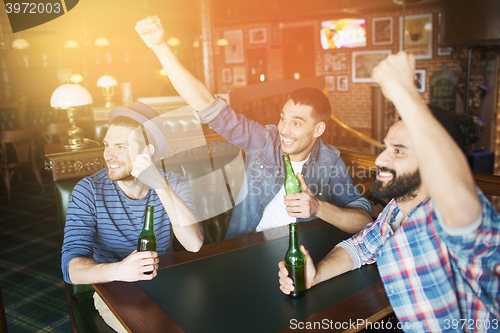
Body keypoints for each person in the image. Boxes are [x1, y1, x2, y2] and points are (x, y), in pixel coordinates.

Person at [278, 52, 500, 330]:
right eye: (386, 147)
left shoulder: (455, 217)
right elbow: (359, 247)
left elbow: (456, 191)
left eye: (399, 151)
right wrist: (317, 274)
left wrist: (404, 91)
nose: (381, 159)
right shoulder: (395, 212)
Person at [135, 16, 372, 240]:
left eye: (297, 123)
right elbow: (206, 104)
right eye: (283, 118)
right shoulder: (264, 140)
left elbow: (363, 220)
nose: (284, 130)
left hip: (297, 253)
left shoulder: (329, 163)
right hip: (245, 249)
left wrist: (318, 207)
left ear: (318, 129)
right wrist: (160, 46)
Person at [61, 102, 203, 332]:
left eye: (120, 146)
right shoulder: (88, 190)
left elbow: (194, 243)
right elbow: (71, 269)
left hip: (169, 283)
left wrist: (161, 186)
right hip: (115, 290)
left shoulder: (174, 184)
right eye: (107, 145)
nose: (108, 155)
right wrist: (120, 270)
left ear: (147, 151)